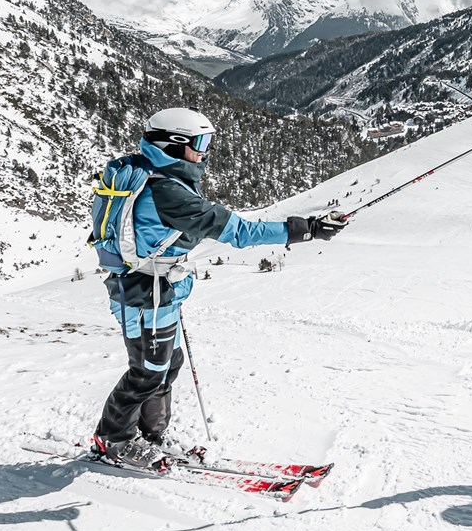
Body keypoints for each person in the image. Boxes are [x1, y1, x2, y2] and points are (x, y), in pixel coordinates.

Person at [90, 107, 348, 469]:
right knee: (147, 369)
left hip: (156, 289)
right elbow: (240, 232)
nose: (205, 152)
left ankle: (151, 436)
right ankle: (114, 440)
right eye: (201, 143)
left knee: (166, 363)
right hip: (143, 295)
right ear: (174, 145)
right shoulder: (169, 194)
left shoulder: (150, 172)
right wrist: (306, 229)